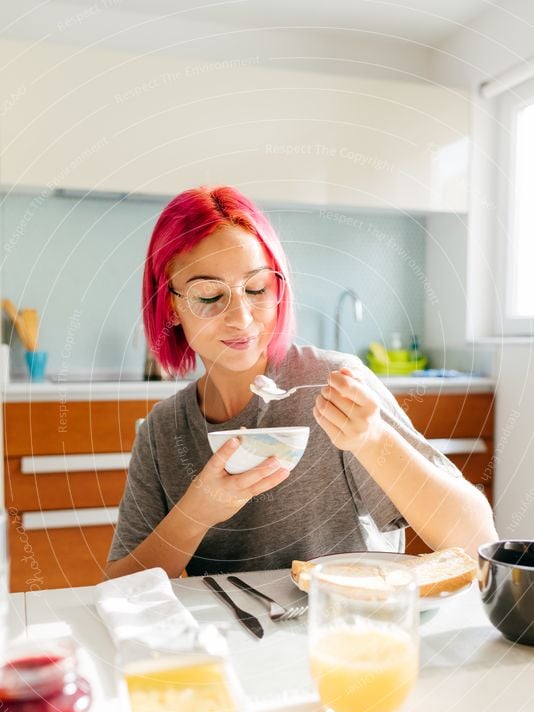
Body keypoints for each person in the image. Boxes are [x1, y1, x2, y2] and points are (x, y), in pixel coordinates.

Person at [106, 186, 497, 579]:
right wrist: (197, 511)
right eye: (208, 295)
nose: (241, 318)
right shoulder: (163, 431)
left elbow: (475, 538)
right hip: (234, 637)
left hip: (347, 628)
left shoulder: (333, 384)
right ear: (170, 305)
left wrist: (373, 440)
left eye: (257, 288)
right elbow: (120, 588)